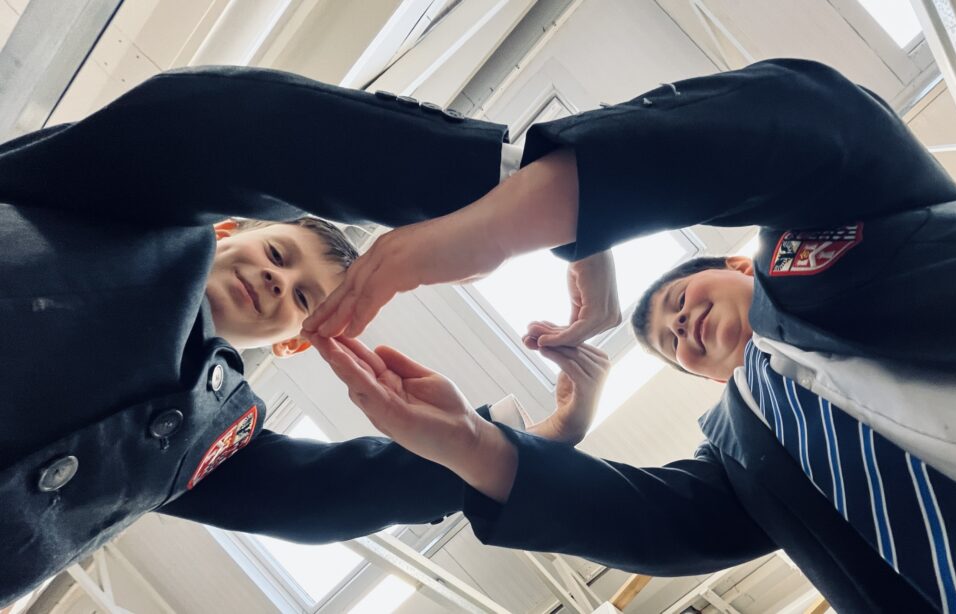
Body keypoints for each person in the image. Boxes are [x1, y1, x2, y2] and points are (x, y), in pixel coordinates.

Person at [306, 58, 956, 612]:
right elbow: (655, 525)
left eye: (681, 299)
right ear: (711, 378)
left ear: (742, 263)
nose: (680, 326)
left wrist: (507, 226)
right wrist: (468, 442)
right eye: (674, 345)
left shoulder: (845, 231)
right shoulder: (752, 451)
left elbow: (812, 121)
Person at [0, 65, 611, 604]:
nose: (274, 279)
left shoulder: (220, 428)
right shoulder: (140, 207)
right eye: (278, 252)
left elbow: (328, 496)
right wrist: (525, 193)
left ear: (296, 341)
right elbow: (229, 131)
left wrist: (543, 438)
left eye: (301, 298)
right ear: (228, 229)